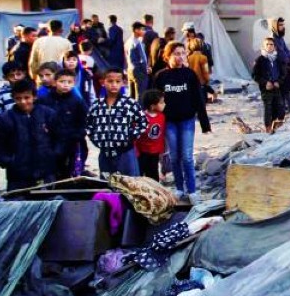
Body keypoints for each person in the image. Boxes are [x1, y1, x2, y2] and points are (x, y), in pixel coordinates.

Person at [154, 41, 211, 198]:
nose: (180, 57)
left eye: (182, 53)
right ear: (167, 56)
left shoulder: (190, 74)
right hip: (169, 122)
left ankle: (192, 190)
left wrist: (205, 124)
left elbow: (198, 99)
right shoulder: (161, 76)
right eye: (176, 54)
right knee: (174, 157)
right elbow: (153, 100)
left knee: (187, 156)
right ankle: (179, 188)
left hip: (187, 120)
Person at [0, 78, 58, 192]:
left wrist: (53, 156)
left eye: (26, 97)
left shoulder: (48, 115)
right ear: (13, 98)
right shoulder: (4, 120)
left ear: (34, 97)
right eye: (18, 98)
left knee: (48, 201)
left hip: (46, 173)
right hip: (17, 176)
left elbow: (60, 138)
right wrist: (9, 162)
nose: (23, 102)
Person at [87, 68, 148, 177]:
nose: (114, 85)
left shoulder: (129, 103)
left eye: (117, 81)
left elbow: (143, 122)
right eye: (110, 81)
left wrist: (130, 137)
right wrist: (96, 140)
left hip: (125, 153)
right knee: (107, 183)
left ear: (123, 83)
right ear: (103, 82)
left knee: (130, 182)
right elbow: (89, 124)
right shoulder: (97, 105)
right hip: (105, 153)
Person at [40, 68, 88, 179]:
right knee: (51, 172)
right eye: (62, 81)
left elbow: (86, 121)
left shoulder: (77, 101)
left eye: (69, 82)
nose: (65, 85)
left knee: (70, 173)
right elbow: (39, 117)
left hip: (72, 143)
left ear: (74, 83)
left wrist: (78, 135)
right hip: (50, 143)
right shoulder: (45, 100)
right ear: (54, 82)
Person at [252, 36, 287, 131]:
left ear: (274, 47)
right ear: (264, 46)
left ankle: (276, 127)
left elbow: (284, 73)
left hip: (276, 87)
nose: (269, 46)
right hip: (266, 89)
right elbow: (255, 75)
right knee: (268, 108)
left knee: (279, 107)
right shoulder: (259, 60)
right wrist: (265, 82)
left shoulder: (278, 59)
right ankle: (268, 128)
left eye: (271, 44)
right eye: (267, 44)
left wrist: (278, 82)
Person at [135, 89, 166, 181]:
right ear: (152, 106)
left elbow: (162, 134)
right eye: (161, 103)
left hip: (155, 153)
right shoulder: (142, 118)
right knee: (140, 176)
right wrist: (136, 152)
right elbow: (136, 136)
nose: (164, 104)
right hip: (143, 153)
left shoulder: (162, 116)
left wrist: (162, 150)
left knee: (153, 175)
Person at [127, 21, 150, 98]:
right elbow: (143, 59)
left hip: (130, 70)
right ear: (136, 30)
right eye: (142, 29)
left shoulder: (129, 41)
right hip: (139, 71)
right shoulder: (137, 42)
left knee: (132, 96)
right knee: (141, 96)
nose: (144, 31)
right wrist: (145, 69)